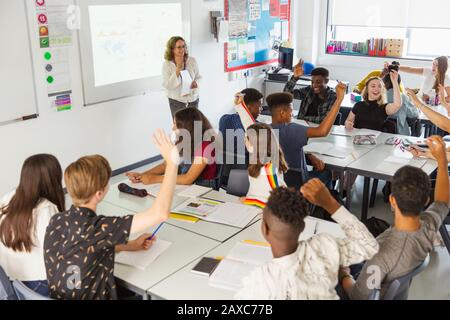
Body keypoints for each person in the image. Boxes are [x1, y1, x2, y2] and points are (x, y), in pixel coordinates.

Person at [44, 130, 179, 300]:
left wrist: (129, 245)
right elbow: (160, 213)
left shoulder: (56, 220)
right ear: (100, 193)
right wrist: (172, 163)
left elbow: (84, 248)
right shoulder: (99, 228)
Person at [339, 136, 449, 300]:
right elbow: (442, 201)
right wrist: (441, 161)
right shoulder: (429, 224)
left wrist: (343, 275)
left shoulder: (380, 255)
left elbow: (357, 296)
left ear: (392, 200)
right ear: (426, 200)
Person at [235, 182, 378, 300]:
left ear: (264, 229)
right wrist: (330, 203)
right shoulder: (324, 247)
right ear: (303, 226)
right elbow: (369, 246)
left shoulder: (260, 280)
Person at [0, 154, 65, 297]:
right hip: (38, 283)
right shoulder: (46, 209)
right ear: (52, 179)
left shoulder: (7, 198)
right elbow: (57, 255)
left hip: (10, 280)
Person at [266, 82, 347, 190]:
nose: (292, 113)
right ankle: (325, 203)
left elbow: (284, 150)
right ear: (282, 113)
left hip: (275, 184)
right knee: (326, 173)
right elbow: (322, 131)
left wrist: (308, 155)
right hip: (299, 184)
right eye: (291, 110)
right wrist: (339, 99)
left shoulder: (264, 130)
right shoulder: (291, 129)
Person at [127, 108, 217, 187]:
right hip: (185, 186)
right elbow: (165, 165)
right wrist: (142, 175)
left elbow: (188, 179)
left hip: (202, 188)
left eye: (176, 124)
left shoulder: (206, 146)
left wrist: (154, 179)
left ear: (187, 126)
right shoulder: (183, 140)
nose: (173, 128)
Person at [219, 89, 264, 184]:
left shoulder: (224, 119)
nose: (262, 109)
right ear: (248, 106)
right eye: (259, 106)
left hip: (223, 174)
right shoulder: (257, 127)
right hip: (245, 178)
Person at [241, 123, 288, 208]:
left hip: (264, 212)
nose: (244, 140)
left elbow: (280, 200)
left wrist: (249, 201)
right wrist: (249, 199)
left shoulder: (269, 170)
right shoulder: (258, 162)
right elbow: (258, 192)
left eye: (247, 139)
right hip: (254, 208)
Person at [283, 59, 338, 124]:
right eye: (312, 82)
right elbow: (286, 95)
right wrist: (295, 78)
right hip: (303, 126)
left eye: (318, 82)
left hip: (320, 129)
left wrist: (302, 118)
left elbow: (324, 119)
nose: (314, 85)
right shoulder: (309, 90)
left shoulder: (333, 96)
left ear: (326, 81)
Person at [162, 36, 202, 117]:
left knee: (197, 126)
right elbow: (168, 86)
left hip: (193, 100)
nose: (182, 49)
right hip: (177, 102)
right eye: (179, 47)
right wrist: (177, 70)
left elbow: (198, 76)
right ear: (172, 49)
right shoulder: (167, 65)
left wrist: (196, 83)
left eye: (183, 46)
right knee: (180, 128)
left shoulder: (192, 60)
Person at [383, 72, 419, 136]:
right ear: (399, 83)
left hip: (381, 131)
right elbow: (413, 114)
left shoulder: (380, 96)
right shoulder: (403, 97)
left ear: (384, 83)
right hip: (400, 133)